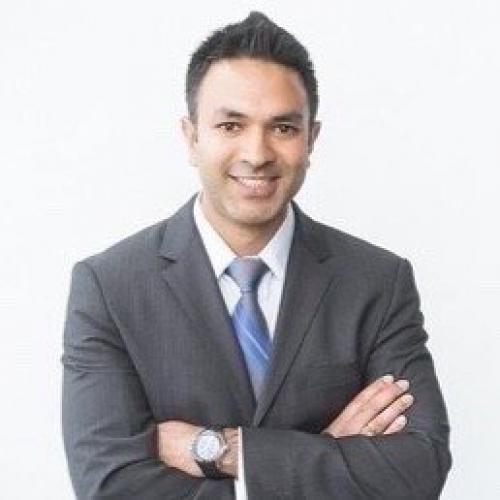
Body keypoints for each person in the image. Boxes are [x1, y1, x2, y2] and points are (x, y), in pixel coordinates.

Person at [62, 11, 451, 499]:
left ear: (311, 139)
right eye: (231, 125)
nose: (257, 153)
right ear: (191, 137)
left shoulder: (377, 281)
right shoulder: (110, 287)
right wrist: (327, 450)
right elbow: (110, 487)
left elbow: (418, 468)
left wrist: (223, 451)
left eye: (283, 128)